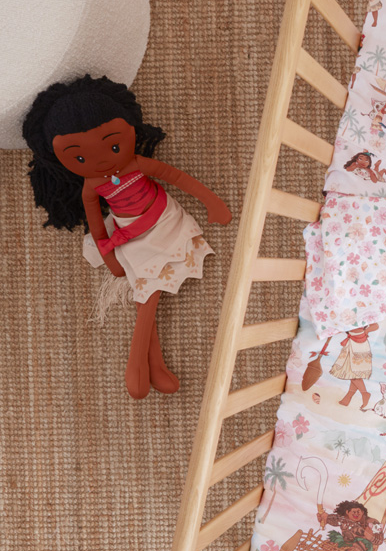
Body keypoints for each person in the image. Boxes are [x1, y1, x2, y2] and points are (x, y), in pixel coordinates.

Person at [22, 74, 231, 398]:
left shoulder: (138, 164)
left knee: (148, 295)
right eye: (80, 158)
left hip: (165, 222)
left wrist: (211, 202)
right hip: (130, 236)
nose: (103, 160)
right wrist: (108, 256)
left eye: (114, 145)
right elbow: (95, 224)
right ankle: (152, 366)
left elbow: (175, 176)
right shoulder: (92, 188)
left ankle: (139, 364)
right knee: (147, 289)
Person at [330, 323, 379, 408]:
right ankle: (349, 396)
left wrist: (365, 331)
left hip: (359, 344)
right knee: (351, 372)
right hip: (352, 343)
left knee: (354, 371)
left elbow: (375, 325)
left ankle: (364, 393)